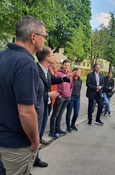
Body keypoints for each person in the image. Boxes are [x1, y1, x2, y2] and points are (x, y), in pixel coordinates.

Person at [0, 16, 46, 175]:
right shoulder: (26, 64)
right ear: (33, 37)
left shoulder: (2, 56)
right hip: (16, 144)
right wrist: (35, 141)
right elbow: (26, 111)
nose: (45, 41)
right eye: (44, 36)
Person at [49, 59, 74, 139]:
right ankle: (52, 131)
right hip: (60, 97)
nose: (66, 66)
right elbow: (54, 84)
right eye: (65, 65)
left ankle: (57, 128)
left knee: (60, 114)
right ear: (62, 65)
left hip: (67, 97)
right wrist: (58, 94)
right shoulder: (58, 73)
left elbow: (71, 86)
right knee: (55, 114)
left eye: (68, 65)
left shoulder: (69, 74)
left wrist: (69, 94)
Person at [66, 68, 82, 132]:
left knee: (76, 113)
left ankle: (73, 124)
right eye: (79, 71)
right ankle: (68, 126)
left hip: (77, 98)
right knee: (69, 112)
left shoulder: (80, 80)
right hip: (71, 97)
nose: (80, 73)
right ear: (75, 72)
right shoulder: (70, 79)